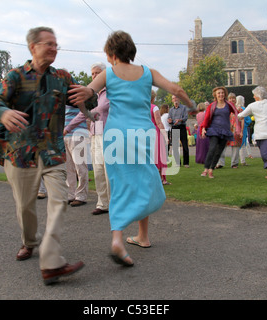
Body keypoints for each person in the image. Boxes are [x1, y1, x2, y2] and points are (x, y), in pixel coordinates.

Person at [68, 30, 193, 267]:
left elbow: (88, 93)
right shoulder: (148, 73)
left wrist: (85, 103)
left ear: (112, 53)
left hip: (116, 135)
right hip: (143, 135)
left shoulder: (109, 73)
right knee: (144, 181)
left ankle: (119, 238)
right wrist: (192, 105)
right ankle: (143, 236)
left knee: (120, 183)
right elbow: (177, 90)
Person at [0, 26, 97, 285]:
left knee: (59, 203)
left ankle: (50, 263)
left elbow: (82, 102)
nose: (54, 48)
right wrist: (2, 112)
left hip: (52, 151)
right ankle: (29, 242)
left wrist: (88, 94)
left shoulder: (62, 77)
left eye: (56, 44)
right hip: (21, 153)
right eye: (48, 44)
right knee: (25, 207)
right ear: (33, 47)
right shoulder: (15, 76)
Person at [64, 62, 110, 215]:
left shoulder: (112, 92)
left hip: (110, 135)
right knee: (97, 171)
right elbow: (83, 113)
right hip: (95, 135)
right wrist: (67, 128)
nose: (95, 76)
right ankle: (103, 204)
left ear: (104, 74)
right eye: (93, 74)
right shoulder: (93, 95)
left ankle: (114, 204)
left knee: (109, 171)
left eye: (98, 73)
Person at [200, 87, 240, 179]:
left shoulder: (229, 105)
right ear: (215, 95)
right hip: (214, 130)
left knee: (219, 152)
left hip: (225, 131)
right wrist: (203, 128)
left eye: (222, 93)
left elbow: (237, 114)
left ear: (224, 94)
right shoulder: (212, 105)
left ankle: (211, 170)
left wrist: (240, 112)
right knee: (212, 148)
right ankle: (206, 169)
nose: (221, 95)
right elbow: (206, 118)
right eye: (219, 93)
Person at [63, 103, 90, 207]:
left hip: (78, 133)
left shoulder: (77, 92)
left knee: (80, 166)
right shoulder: (63, 94)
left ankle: (81, 196)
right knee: (68, 167)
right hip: (65, 134)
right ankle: (70, 194)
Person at [216, 93, 243, 169]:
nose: (232, 100)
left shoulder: (239, 109)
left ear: (235, 100)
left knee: (235, 147)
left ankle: (234, 163)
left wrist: (241, 131)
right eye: (230, 98)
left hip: (236, 130)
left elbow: (242, 120)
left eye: (233, 98)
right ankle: (220, 163)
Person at [150, 90, 169, 185]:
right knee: (160, 155)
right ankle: (163, 179)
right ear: (153, 98)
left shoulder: (141, 108)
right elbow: (159, 122)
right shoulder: (154, 107)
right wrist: (165, 136)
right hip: (155, 133)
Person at [168, 95, 190, 168]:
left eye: (176, 98)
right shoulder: (171, 110)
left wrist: (179, 120)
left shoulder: (184, 108)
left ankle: (186, 163)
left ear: (179, 99)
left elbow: (185, 117)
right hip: (174, 127)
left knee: (185, 145)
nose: (175, 99)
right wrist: (169, 121)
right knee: (175, 146)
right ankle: (177, 163)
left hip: (182, 127)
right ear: (172, 100)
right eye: (173, 98)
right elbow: (169, 119)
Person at [237, 95, 253, 165]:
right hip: (243, 128)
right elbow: (248, 120)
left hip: (236, 128)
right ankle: (243, 161)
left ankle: (237, 160)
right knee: (243, 144)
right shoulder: (243, 109)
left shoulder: (236, 108)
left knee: (237, 145)